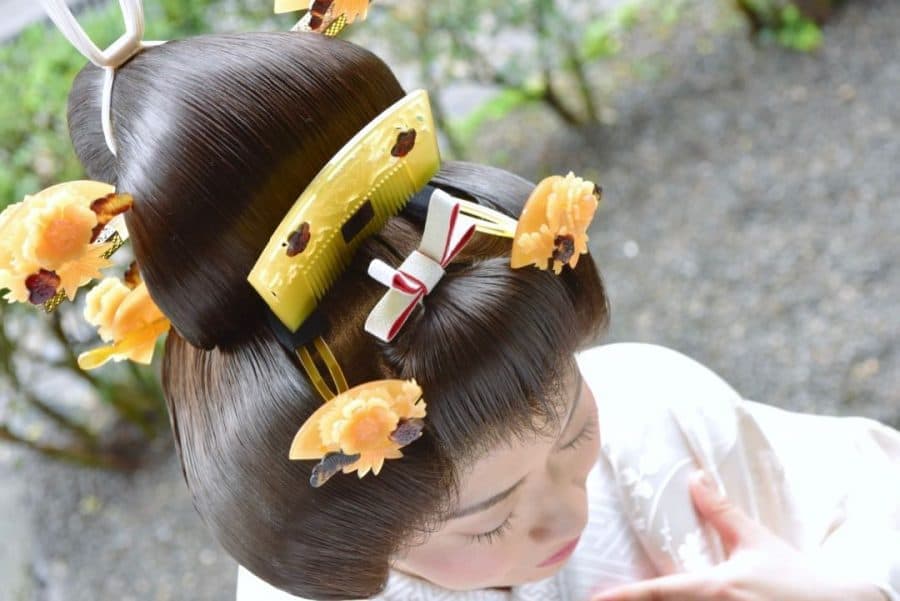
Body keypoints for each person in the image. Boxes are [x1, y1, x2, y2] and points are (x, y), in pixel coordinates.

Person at [6, 2, 897, 600]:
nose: (564, 509)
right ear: (345, 545)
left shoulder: (654, 403)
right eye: (492, 516)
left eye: (574, 427)